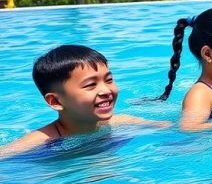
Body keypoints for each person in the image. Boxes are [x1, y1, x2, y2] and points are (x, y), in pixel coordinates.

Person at [1, 45, 168, 157]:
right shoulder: (42, 141)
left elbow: (169, 128)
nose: (106, 90)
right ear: (55, 101)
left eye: (109, 80)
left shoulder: (121, 122)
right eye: (90, 85)